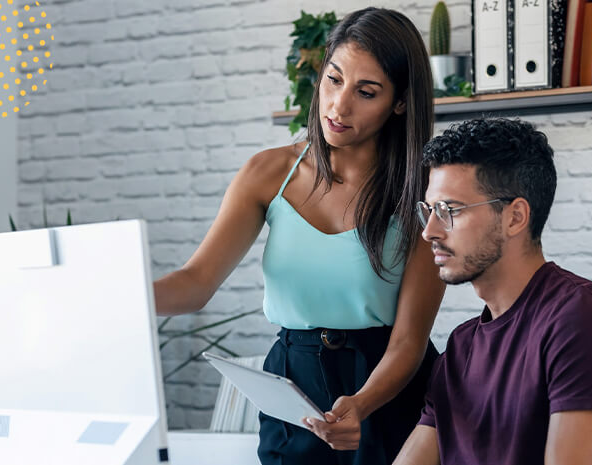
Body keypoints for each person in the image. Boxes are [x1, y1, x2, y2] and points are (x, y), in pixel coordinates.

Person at [153, 7, 445, 465]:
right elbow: (195, 283)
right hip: (293, 387)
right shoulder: (267, 173)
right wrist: (117, 298)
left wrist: (362, 406)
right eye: (333, 80)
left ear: (401, 102)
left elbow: (409, 341)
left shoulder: (423, 192)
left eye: (366, 92)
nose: (338, 106)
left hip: (389, 390)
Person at [393, 118, 592, 465]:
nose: (429, 231)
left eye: (450, 210)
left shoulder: (585, 323)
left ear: (515, 217)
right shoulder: (461, 350)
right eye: (429, 211)